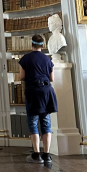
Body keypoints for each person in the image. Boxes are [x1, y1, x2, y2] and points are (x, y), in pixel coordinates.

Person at [19, 34, 58, 164]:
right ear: (43, 45)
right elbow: (52, 78)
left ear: (32, 44)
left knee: (33, 122)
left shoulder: (25, 59)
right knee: (46, 121)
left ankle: (36, 154)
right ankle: (47, 154)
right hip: (46, 92)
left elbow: (21, 77)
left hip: (33, 92)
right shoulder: (48, 60)